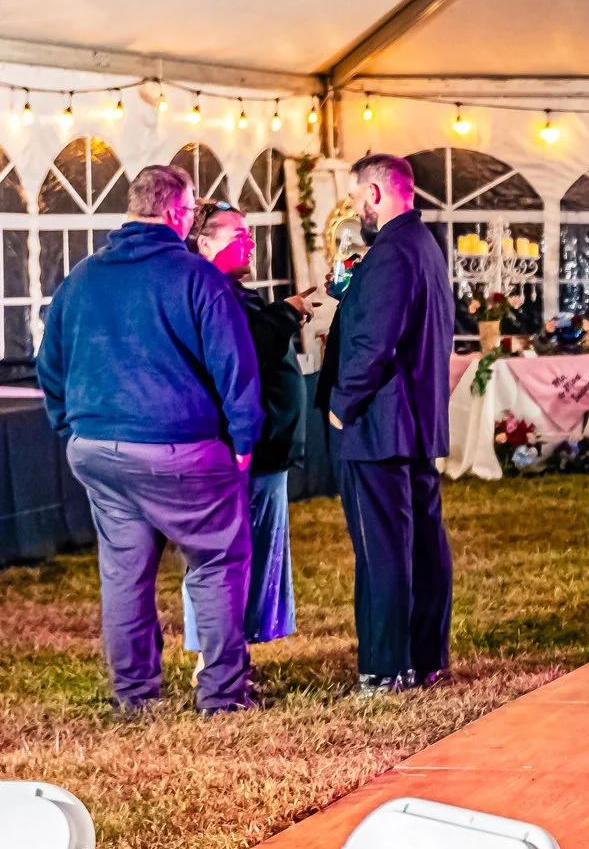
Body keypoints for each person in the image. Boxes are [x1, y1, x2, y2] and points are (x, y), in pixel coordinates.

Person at [34, 164, 260, 714]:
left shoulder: (82, 276)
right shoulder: (197, 277)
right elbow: (237, 368)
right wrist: (244, 441)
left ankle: (134, 697)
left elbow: (49, 365)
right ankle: (222, 695)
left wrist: (70, 426)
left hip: (98, 449)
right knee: (215, 563)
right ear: (177, 213)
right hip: (181, 449)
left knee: (124, 575)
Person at [320, 152, 456, 692]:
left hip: (377, 425)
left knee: (383, 552)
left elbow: (374, 342)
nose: (358, 210)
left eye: (357, 199)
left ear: (375, 194)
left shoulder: (392, 253)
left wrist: (340, 405)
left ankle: (385, 666)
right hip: (414, 421)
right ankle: (425, 657)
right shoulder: (420, 245)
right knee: (421, 543)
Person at [182, 203, 312, 653]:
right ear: (203, 243)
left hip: (265, 450)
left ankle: (237, 652)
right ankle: (218, 657)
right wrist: (285, 314)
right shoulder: (211, 294)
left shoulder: (236, 292)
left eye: (250, 233)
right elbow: (241, 351)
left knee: (257, 555)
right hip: (241, 449)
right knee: (228, 557)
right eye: (238, 234)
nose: (250, 241)